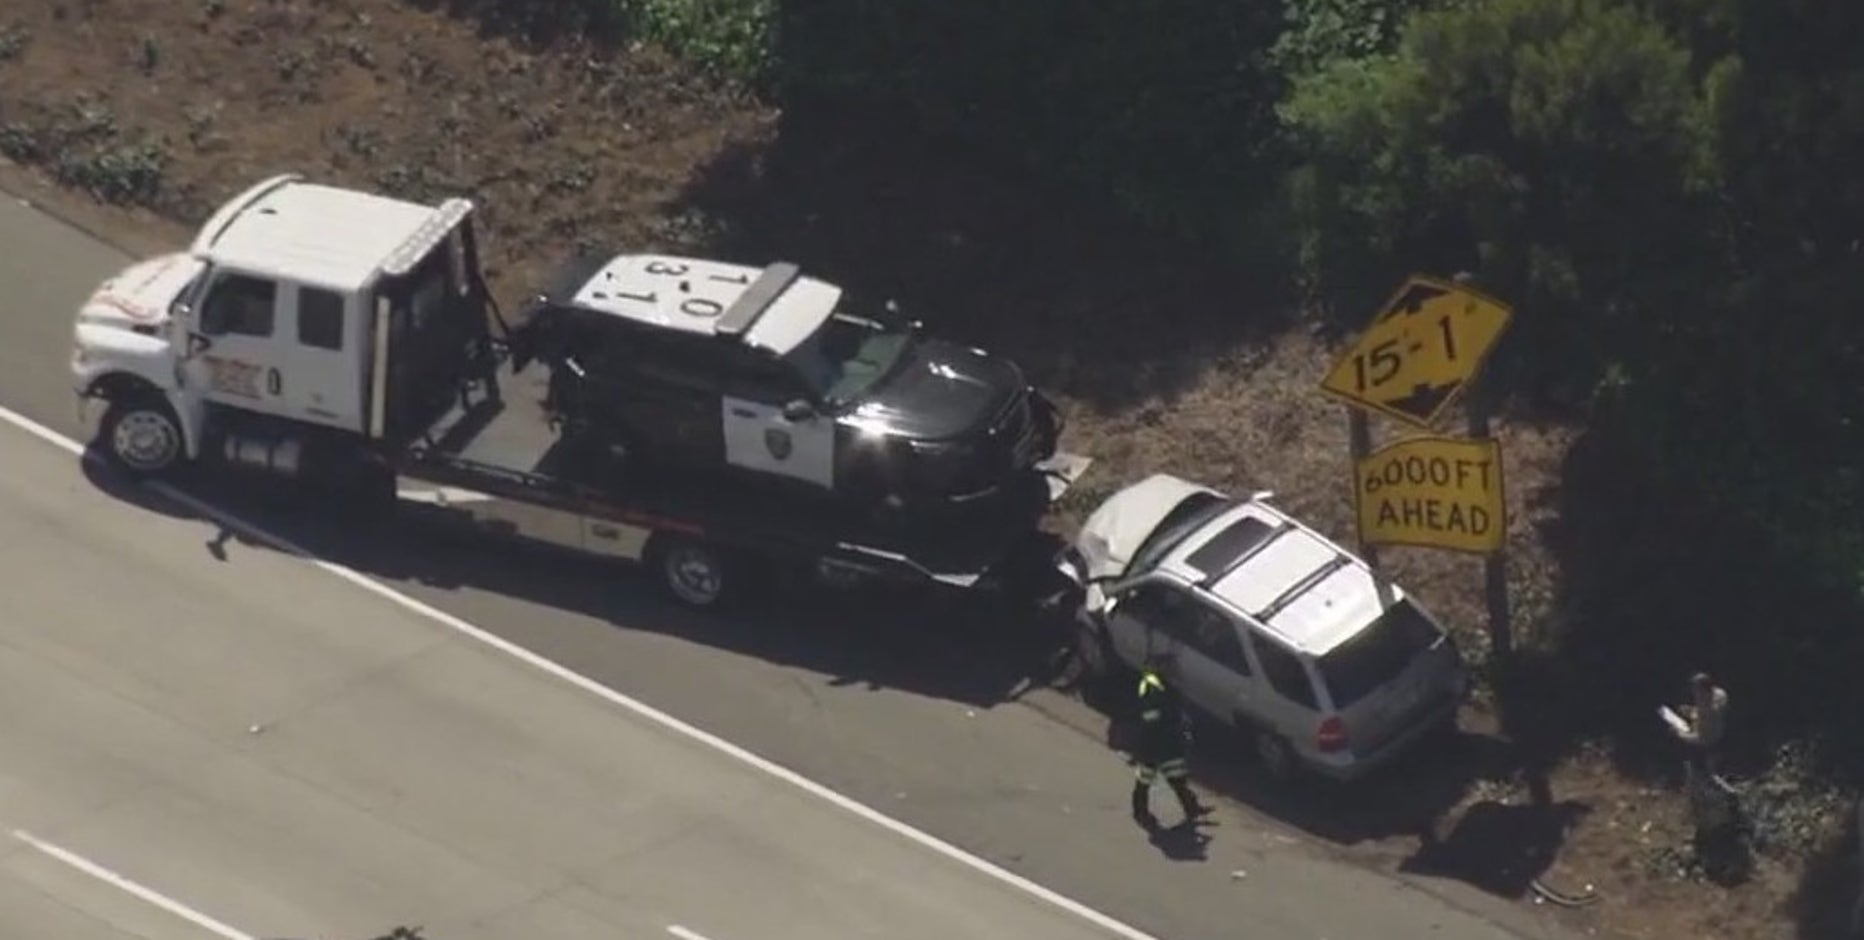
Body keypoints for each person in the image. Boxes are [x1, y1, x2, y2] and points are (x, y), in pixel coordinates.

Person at [1129, 667, 1209, 828]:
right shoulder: (1154, 688)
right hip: (1154, 744)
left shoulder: (1164, 688)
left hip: (1166, 744)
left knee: (1176, 779)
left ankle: (1192, 808)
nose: (1178, 676)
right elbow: (1150, 717)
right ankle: (1140, 812)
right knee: (1145, 781)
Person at [1663, 671, 1729, 777]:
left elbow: (1702, 736)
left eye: (1696, 690)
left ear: (1703, 690)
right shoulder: (1719, 694)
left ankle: (1682, 774)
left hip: (1707, 739)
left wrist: (1680, 733)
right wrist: (1691, 710)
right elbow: (1703, 714)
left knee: (1673, 731)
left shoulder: (1707, 707)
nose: (1694, 693)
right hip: (1713, 732)